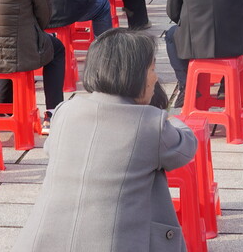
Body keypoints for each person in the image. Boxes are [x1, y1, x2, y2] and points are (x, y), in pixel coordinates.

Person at [12, 29, 196, 252]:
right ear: (134, 75)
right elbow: (185, 146)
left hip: (40, 242)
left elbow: (51, 150)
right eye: (152, 69)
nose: (155, 78)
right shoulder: (150, 123)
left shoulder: (65, 110)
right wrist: (166, 117)